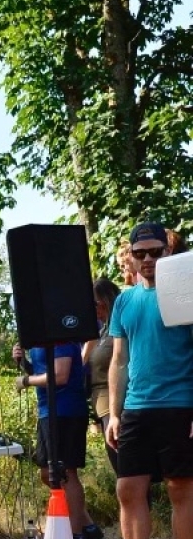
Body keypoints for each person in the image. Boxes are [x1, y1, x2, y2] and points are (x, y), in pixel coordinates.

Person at [107, 222, 193, 539]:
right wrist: (115, 414)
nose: (147, 259)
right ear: (132, 255)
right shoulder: (124, 301)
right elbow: (119, 360)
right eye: (140, 253)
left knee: (180, 489)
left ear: (168, 251)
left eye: (155, 252)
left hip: (180, 403)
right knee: (128, 489)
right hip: (136, 407)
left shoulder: (187, 293)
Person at [12, 342, 102, 539]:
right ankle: (88, 526)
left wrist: (26, 381)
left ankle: (76, 532)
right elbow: (43, 372)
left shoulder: (59, 335)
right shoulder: (37, 339)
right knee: (47, 473)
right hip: (48, 411)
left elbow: (60, 376)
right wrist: (23, 363)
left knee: (66, 472)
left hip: (66, 411)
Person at [81, 278, 122, 472]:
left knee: (126, 470)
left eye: (96, 303)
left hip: (113, 404)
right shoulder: (102, 330)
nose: (93, 309)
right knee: (121, 470)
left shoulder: (119, 329)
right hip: (101, 406)